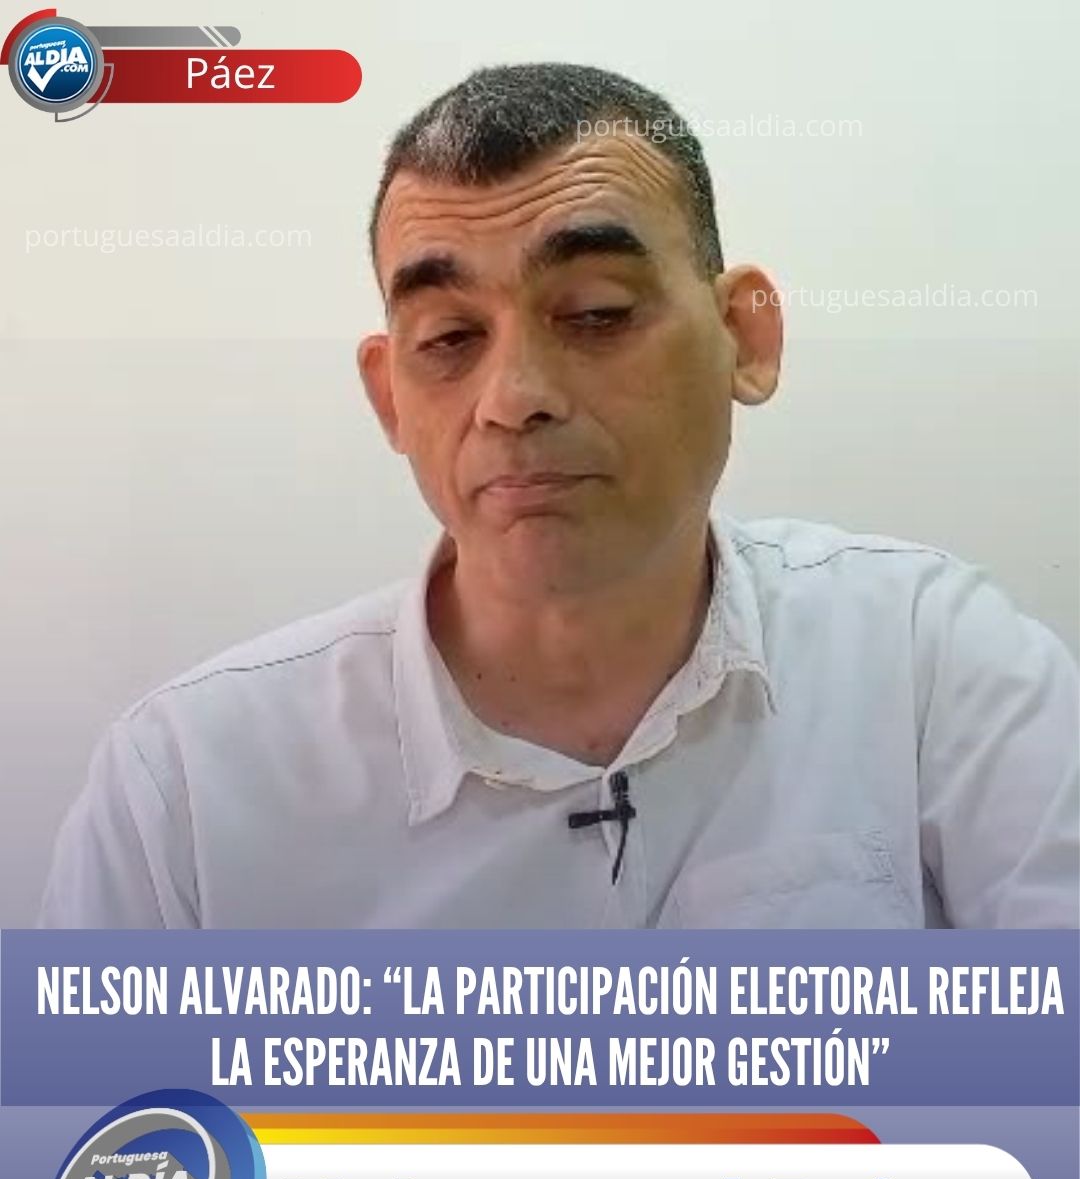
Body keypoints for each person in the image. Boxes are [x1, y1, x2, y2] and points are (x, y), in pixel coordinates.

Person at [40, 63, 1078, 929]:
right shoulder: (187, 786)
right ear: (390, 396)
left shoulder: (929, 664)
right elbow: (99, 1119)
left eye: (596, 313)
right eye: (450, 337)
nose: (515, 399)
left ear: (745, 338)